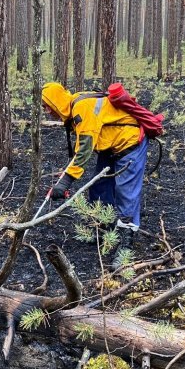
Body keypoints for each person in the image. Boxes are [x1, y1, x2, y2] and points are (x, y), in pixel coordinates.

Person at [41, 82, 148, 266]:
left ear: (55, 102)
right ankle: (105, 230)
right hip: (110, 146)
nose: (47, 111)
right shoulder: (75, 103)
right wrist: (65, 180)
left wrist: (65, 182)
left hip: (129, 144)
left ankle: (126, 247)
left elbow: (84, 151)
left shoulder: (81, 109)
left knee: (126, 193)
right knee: (99, 187)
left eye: (47, 106)